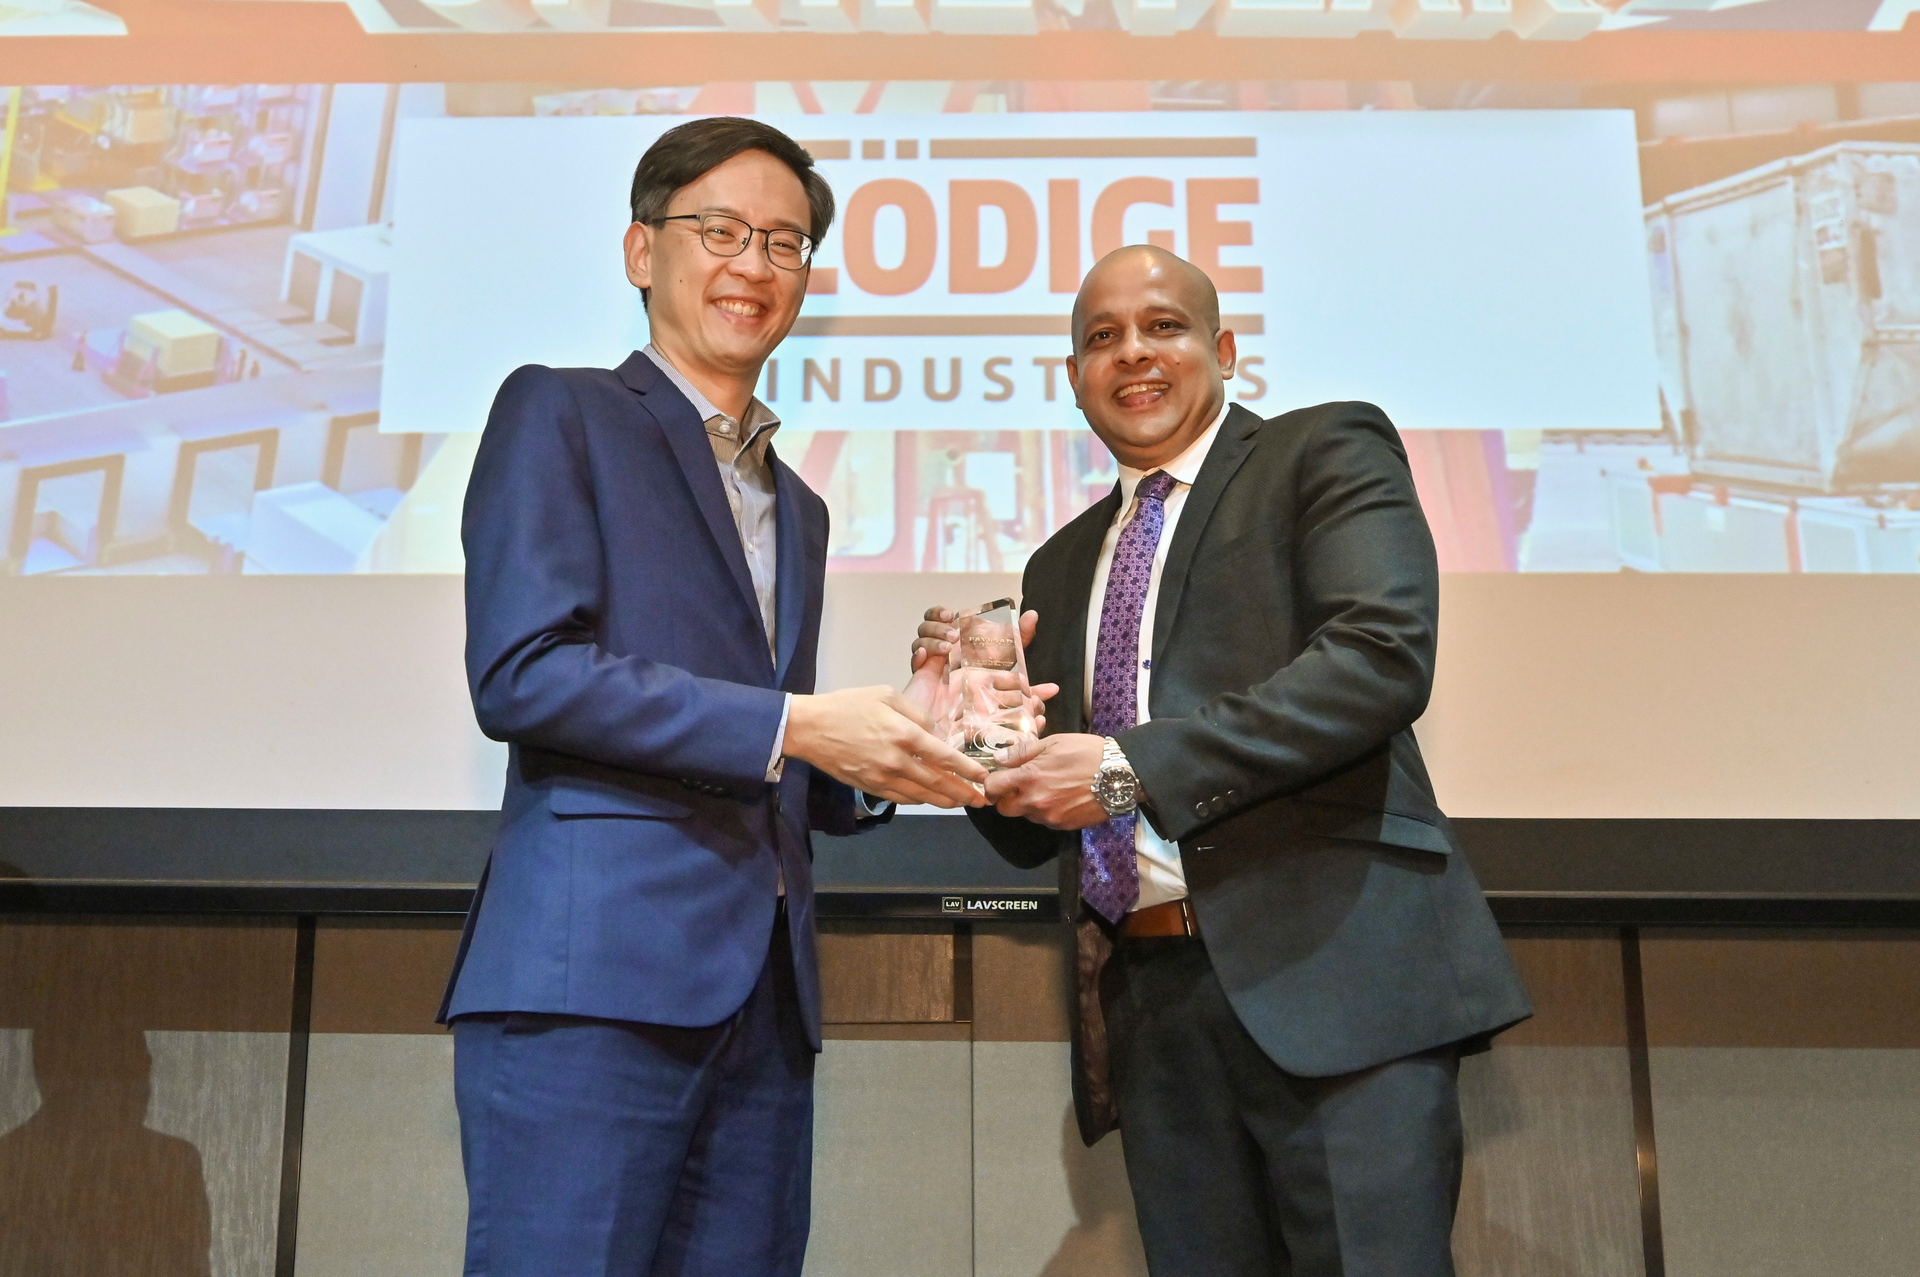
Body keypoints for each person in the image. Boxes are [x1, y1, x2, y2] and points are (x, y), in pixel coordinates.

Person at [443, 116, 987, 1277]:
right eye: (722, 231)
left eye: (785, 243)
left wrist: (897, 732)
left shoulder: (800, 502)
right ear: (643, 252)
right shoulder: (563, 410)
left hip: (766, 1000)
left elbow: (768, 745)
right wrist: (797, 722)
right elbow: (523, 671)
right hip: (591, 984)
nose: (754, 265)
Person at [919, 245, 1531, 1276]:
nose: (1133, 354)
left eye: (1163, 326)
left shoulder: (1322, 450)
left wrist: (1123, 767)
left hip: (1336, 977)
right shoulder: (1060, 562)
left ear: (1226, 348)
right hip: (1153, 1004)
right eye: (1102, 338)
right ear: (1074, 377)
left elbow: (1379, 660)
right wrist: (971, 735)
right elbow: (1035, 816)